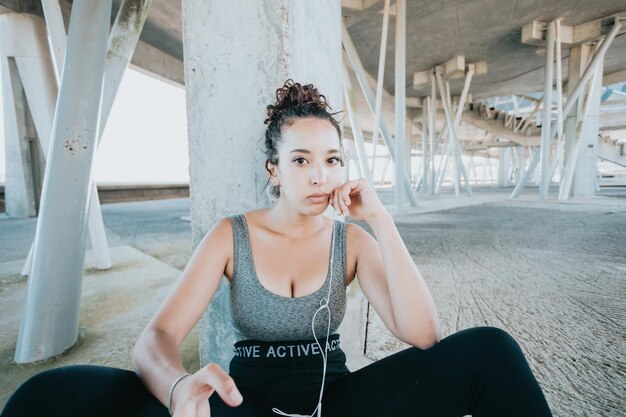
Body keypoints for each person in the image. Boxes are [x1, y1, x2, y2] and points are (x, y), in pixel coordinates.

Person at [1, 80, 553, 417]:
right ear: (274, 170)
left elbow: (424, 334)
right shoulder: (231, 235)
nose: (320, 175)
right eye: (301, 160)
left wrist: (382, 221)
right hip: (244, 401)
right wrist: (178, 391)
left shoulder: (352, 242)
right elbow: (157, 339)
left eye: (332, 159)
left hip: (332, 400)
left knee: (491, 352)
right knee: (48, 397)